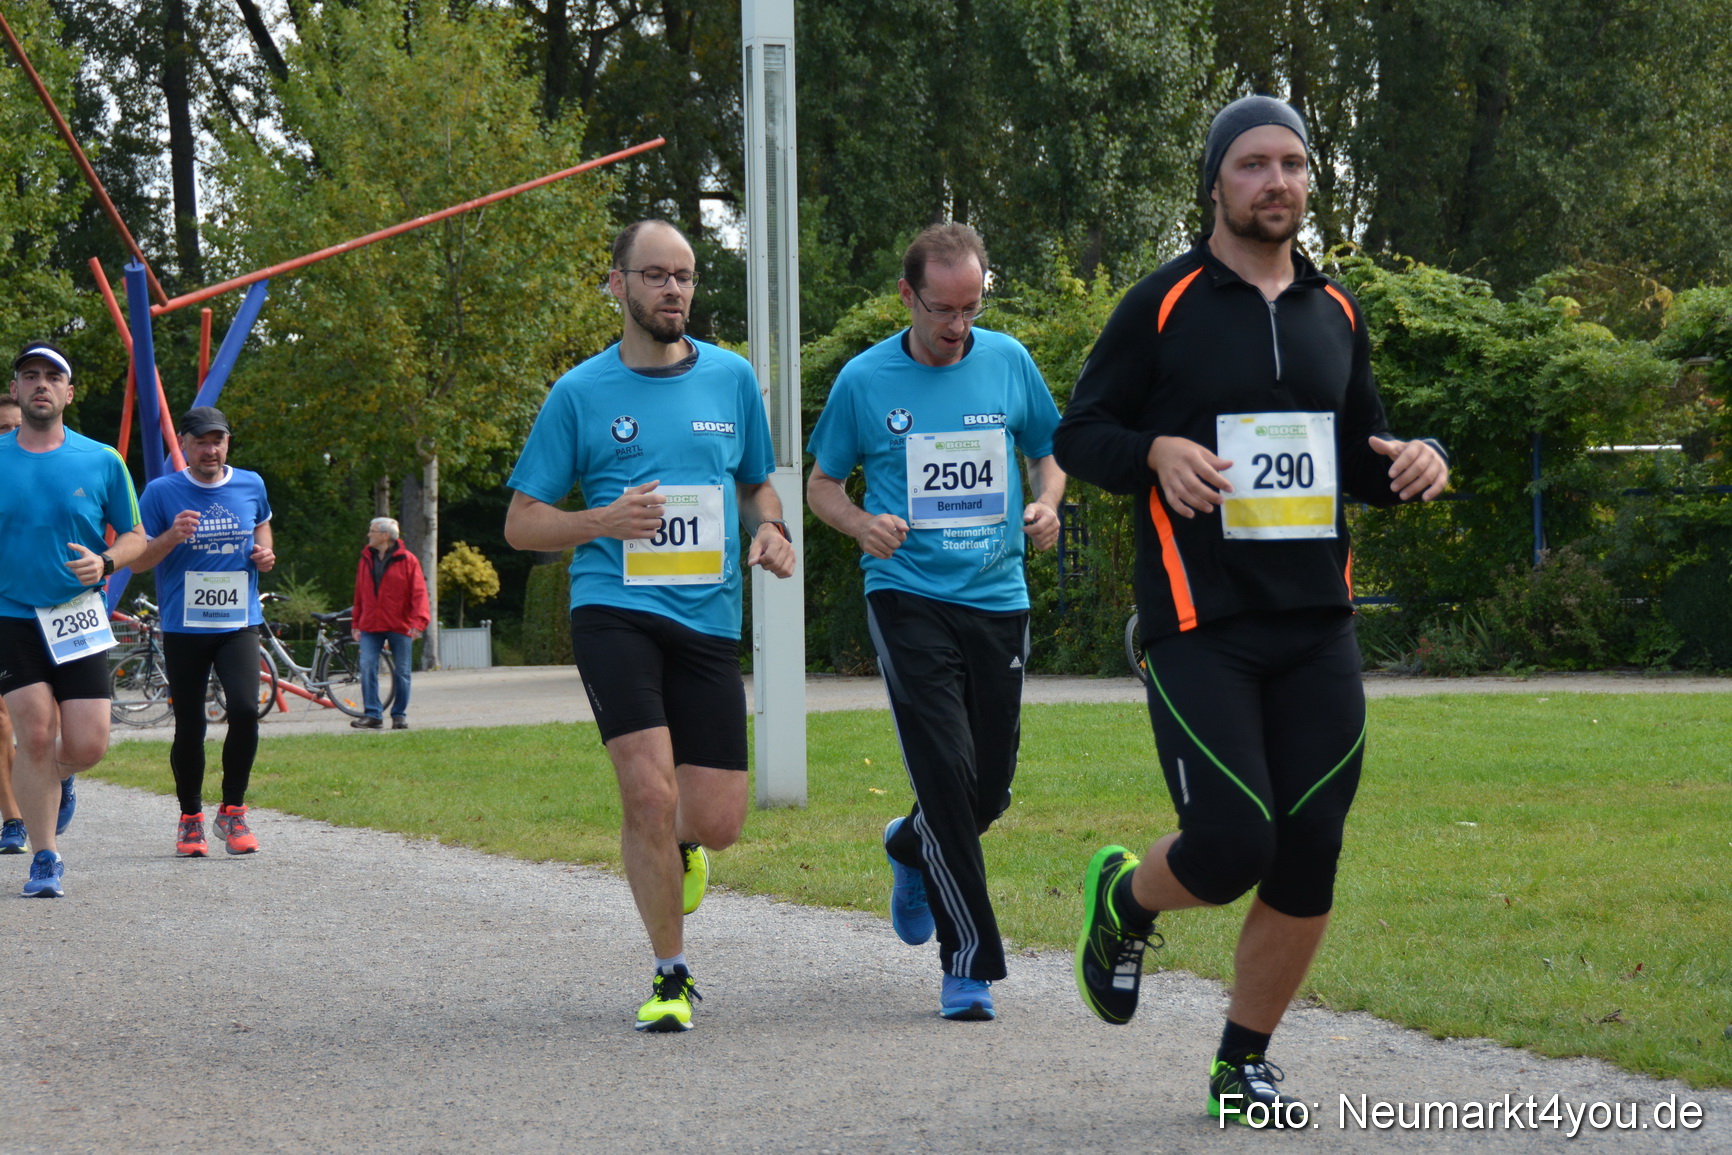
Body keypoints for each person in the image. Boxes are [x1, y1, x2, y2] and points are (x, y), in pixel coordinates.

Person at [1053, 96, 1450, 1122]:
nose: (1276, 182)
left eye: (1291, 164)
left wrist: (1416, 458)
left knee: (1309, 845)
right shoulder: (1164, 302)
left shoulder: (1336, 310)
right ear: (1216, 183)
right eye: (1252, 166)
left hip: (1318, 623)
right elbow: (1079, 431)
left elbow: (1357, 449)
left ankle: (1243, 1062)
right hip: (1201, 624)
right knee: (1231, 845)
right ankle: (1123, 899)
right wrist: (1152, 450)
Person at [503, 218, 795, 1032]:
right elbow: (523, 525)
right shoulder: (580, 394)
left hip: (708, 615)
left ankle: (683, 848)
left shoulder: (733, 380)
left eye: (686, 276)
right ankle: (671, 974)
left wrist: (770, 529)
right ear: (618, 284)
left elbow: (755, 486)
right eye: (657, 275)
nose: (675, 290)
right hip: (614, 611)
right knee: (647, 790)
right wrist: (602, 520)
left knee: (716, 820)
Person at [807, 222, 1066, 1022]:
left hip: (997, 597)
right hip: (907, 595)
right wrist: (859, 524)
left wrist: (1046, 502)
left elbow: (1048, 451)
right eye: (943, 308)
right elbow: (822, 483)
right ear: (907, 296)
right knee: (946, 775)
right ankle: (968, 962)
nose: (959, 325)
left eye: (972, 306)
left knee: (988, 788)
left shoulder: (1009, 361)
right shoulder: (863, 379)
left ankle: (908, 844)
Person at [0, 342, 147, 896]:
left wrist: (105, 561)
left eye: (51, 376)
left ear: (68, 392)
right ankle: (45, 859)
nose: (40, 384)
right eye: (29, 375)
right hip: (10, 615)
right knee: (34, 732)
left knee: (85, 745)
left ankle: (55, 780)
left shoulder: (102, 460)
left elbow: (135, 535)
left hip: (76, 616)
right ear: (15, 390)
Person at [131, 406, 275, 856]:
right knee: (190, 724)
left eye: (218, 441)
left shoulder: (251, 483)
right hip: (184, 626)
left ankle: (233, 812)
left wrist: (265, 554)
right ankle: (190, 817)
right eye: (201, 441)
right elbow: (137, 561)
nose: (210, 450)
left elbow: (263, 524)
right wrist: (171, 537)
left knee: (247, 712)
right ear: (186, 445)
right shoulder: (160, 492)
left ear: (227, 443)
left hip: (239, 623)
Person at [350, 517, 429, 730]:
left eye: (372, 531)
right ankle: (373, 715)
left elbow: (419, 593)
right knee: (367, 667)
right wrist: (356, 622)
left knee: (402, 672)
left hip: (400, 624)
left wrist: (418, 622)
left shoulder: (408, 560)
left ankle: (399, 715)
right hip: (370, 624)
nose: (369, 535)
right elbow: (360, 592)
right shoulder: (365, 559)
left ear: (385, 535)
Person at [0, 395, 26, 854]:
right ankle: (13, 819)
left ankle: (53, 772)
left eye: (14, 426)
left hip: (48, 609)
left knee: (48, 727)